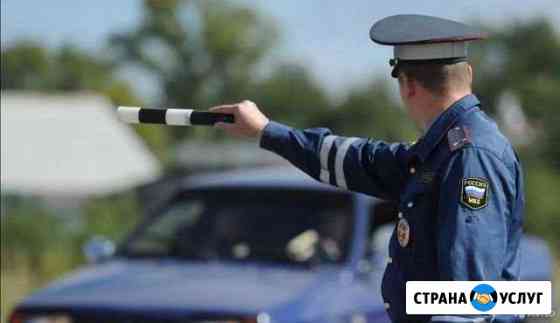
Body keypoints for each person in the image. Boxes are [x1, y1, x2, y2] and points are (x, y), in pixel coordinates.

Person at [210, 14, 524, 323]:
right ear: (467, 73)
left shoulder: (469, 155)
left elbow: (467, 300)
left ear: (408, 86)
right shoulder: (442, 150)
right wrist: (266, 130)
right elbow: (359, 160)